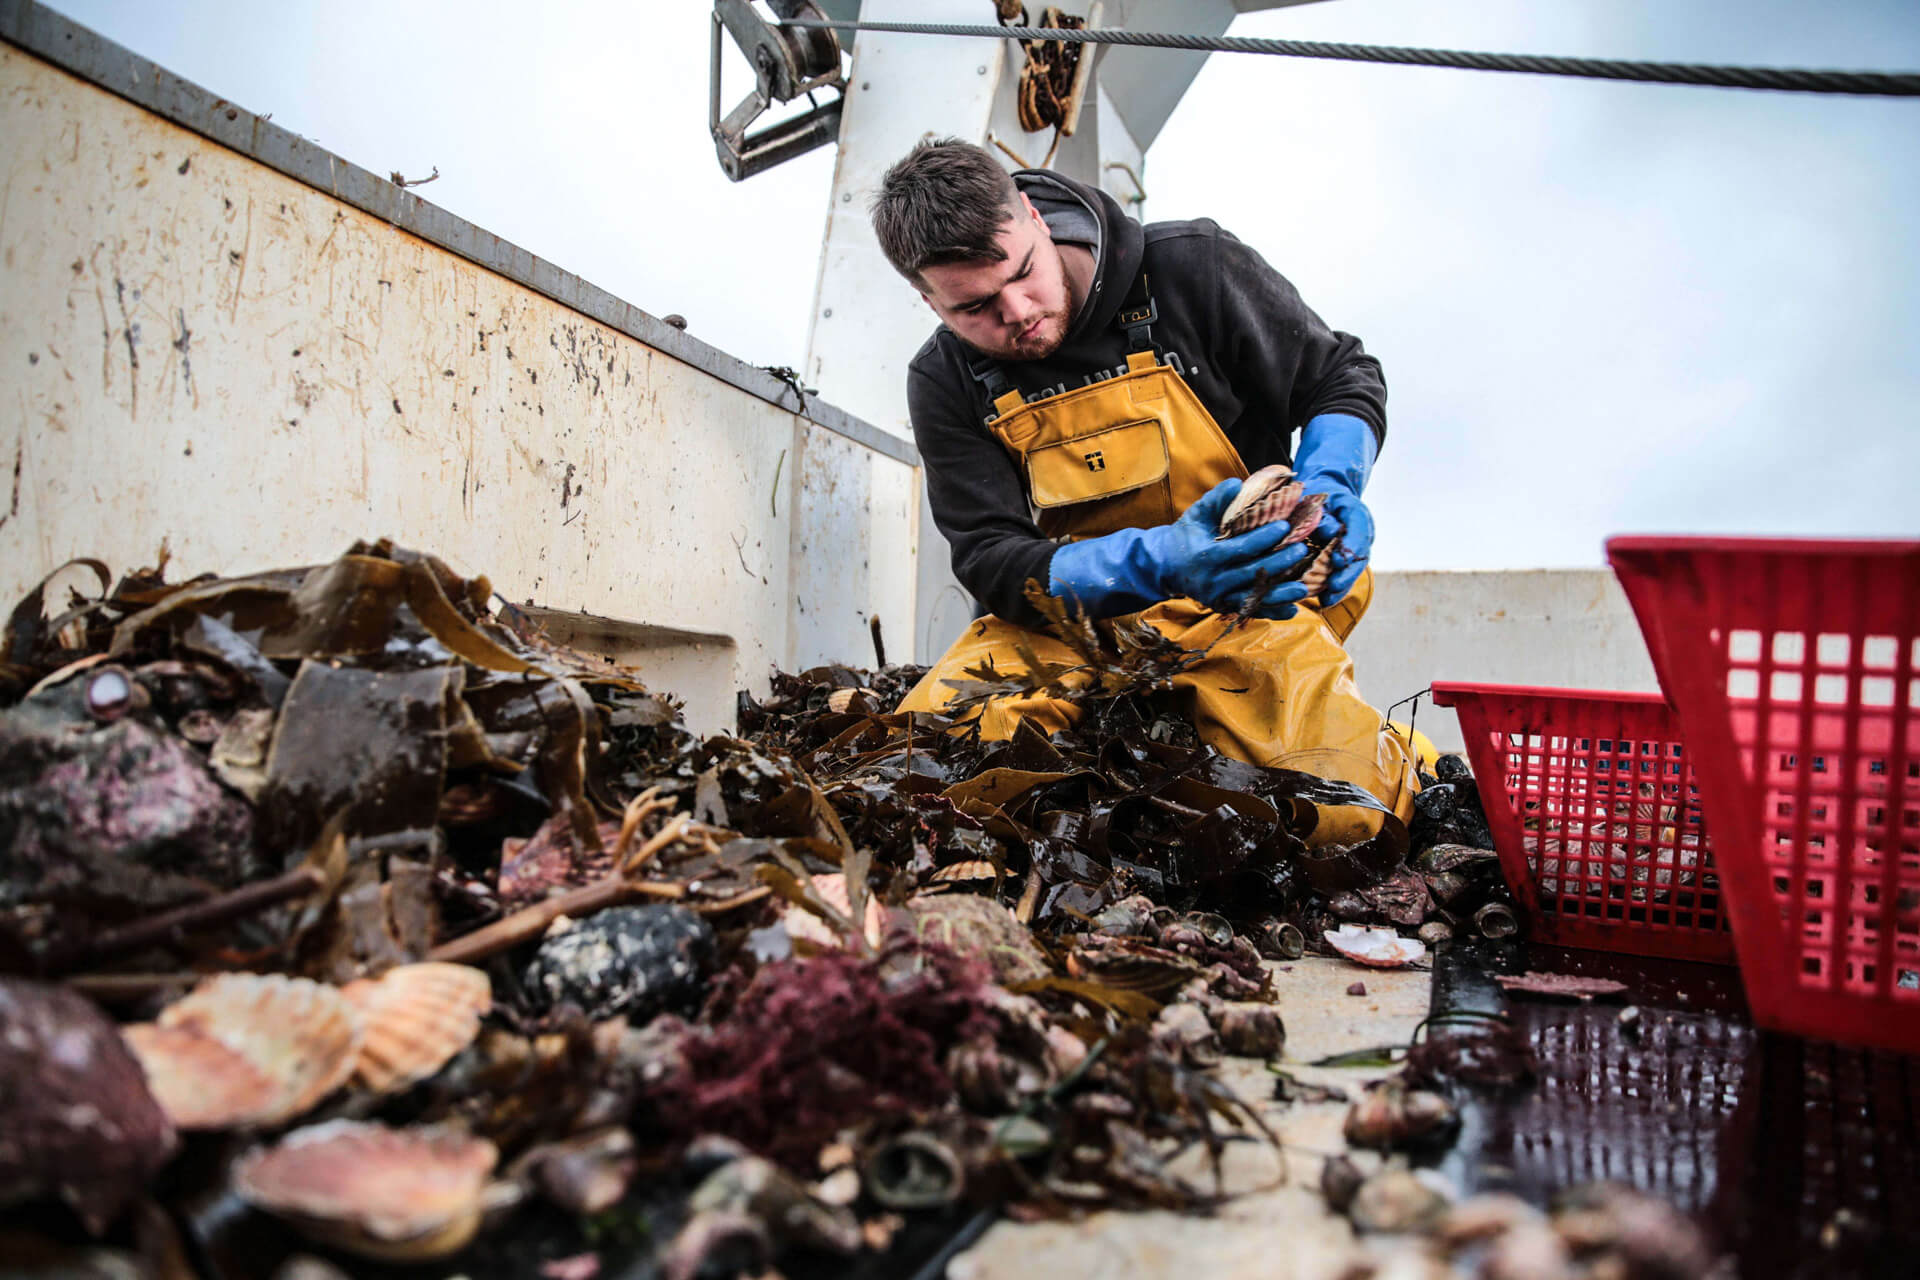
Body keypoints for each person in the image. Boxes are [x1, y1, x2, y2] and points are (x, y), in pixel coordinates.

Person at [870, 138, 1418, 846]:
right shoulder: (943, 379)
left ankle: (1409, 767)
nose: (1016, 313)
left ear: (1033, 217)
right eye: (974, 308)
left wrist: (1331, 481)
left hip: (1250, 614)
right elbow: (991, 559)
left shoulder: (1196, 270)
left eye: (1022, 274)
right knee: (923, 782)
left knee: (1347, 817)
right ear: (928, 299)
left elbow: (1341, 375)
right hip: (1061, 634)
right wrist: (1157, 562)